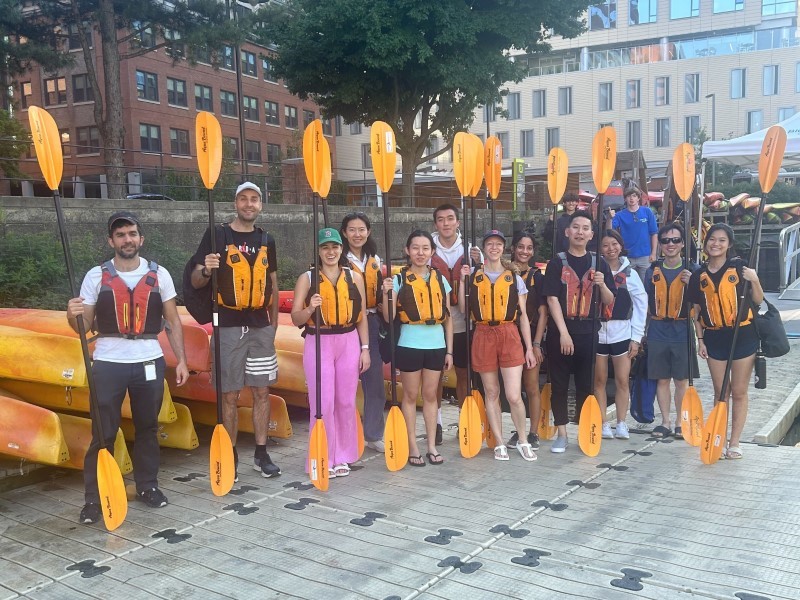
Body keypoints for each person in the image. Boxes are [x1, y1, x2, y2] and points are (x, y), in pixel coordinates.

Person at [67, 211, 189, 524]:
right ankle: (94, 499)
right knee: (103, 433)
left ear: (141, 238)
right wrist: (72, 313)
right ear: (111, 241)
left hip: (149, 359)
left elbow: (173, 322)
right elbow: (82, 325)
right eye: (120, 235)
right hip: (109, 362)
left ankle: (147, 487)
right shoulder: (97, 276)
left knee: (148, 427)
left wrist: (182, 361)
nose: (127, 239)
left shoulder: (159, 274)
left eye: (132, 233)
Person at [190, 182, 281, 479]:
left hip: (259, 326)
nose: (249, 204)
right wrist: (206, 269)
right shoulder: (217, 235)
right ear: (235, 203)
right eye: (243, 199)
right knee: (229, 395)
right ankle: (229, 454)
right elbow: (194, 281)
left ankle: (261, 453)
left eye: (254, 199)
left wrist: (274, 327)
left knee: (261, 391)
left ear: (261, 205)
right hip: (227, 325)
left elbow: (273, 285)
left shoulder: (267, 239)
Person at [291, 227, 370, 478]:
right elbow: (295, 318)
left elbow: (362, 318)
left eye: (335, 247)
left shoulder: (354, 278)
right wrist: (310, 309)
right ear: (319, 251)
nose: (331, 252)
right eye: (325, 248)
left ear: (341, 248)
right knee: (322, 402)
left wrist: (365, 349)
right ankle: (324, 454)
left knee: (346, 401)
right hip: (319, 341)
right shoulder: (307, 279)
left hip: (348, 340)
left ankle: (344, 456)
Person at [459, 230, 536, 461]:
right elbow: (464, 311)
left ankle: (523, 440)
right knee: (491, 392)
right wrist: (463, 280)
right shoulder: (473, 275)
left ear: (504, 249)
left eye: (498, 244)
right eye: (490, 244)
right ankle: (500, 442)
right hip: (483, 333)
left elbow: (523, 316)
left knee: (513, 395)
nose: (494, 248)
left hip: (508, 333)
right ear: (483, 249)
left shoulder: (515, 278)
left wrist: (529, 347)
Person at [687, 223, 763, 459]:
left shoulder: (740, 268)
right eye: (712, 239)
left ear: (729, 244)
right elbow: (696, 312)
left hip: (743, 335)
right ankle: (718, 436)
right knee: (721, 391)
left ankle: (735, 442)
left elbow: (758, 300)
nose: (715, 244)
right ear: (706, 243)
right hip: (714, 336)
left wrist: (755, 279)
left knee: (739, 391)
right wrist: (700, 340)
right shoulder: (698, 275)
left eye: (721, 240)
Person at [543, 211, 616, 453]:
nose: (580, 232)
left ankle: (586, 431)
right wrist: (563, 334)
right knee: (560, 384)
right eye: (576, 227)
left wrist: (602, 283)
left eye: (585, 228)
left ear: (591, 235)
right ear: (567, 231)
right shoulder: (556, 262)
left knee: (587, 385)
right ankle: (562, 433)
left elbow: (609, 299)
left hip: (588, 333)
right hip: (561, 332)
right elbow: (552, 299)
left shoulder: (599, 263)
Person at [382, 230, 453, 466]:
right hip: (409, 344)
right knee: (411, 396)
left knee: (431, 396)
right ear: (407, 251)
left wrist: (450, 351)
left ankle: (431, 445)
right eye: (415, 248)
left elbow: (448, 318)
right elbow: (388, 315)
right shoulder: (399, 279)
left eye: (425, 248)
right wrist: (386, 292)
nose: (420, 253)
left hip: (436, 344)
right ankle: (413, 446)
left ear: (432, 252)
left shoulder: (440, 279)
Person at [643, 223, 699, 439]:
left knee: (681, 380)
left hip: (682, 328)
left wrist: (691, 283)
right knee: (662, 379)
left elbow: (700, 303)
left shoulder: (692, 270)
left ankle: (679, 421)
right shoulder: (652, 271)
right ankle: (665, 421)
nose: (670, 244)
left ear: (683, 244)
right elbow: (645, 301)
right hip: (658, 328)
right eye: (665, 240)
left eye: (675, 240)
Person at [595, 230, 647, 440]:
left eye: (614, 244)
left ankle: (622, 422)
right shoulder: (595, 270)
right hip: (598, 333)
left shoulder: (631, 273)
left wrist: (636, 338)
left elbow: (641, 306)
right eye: (606, 245)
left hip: (622, 332)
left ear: (620, 245)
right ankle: (602, 423)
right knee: (598, 380)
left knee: (622, 380)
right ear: (600, 248)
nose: (611, 249)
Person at [340, 213, 386, 452]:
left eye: (361, 229)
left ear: (368, 231)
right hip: (346, 324)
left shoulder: (374, 258)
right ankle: (344, 433)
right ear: (345, 233)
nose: (357, 234)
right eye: (352, 230)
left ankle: (373, 433)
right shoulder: (337, 258)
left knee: (375, 379)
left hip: (371, 320)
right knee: (346, 380)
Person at [430, 203, 471, 445]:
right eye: (441, 219)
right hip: (436, 324)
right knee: (434, 378)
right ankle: (436, 423)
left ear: (457, 222)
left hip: (463, 322)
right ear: (436, 224)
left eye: (450, 219)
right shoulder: (426, 248)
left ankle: (465, 420)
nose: (446, 223)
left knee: (464, 375)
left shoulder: (470, 250)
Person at [506, 230, 547, 451]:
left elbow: (543, 312)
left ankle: (533, 432)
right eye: (520, 246)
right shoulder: (504, 272)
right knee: (514, 390)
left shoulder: (536, 277)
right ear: (513, 248)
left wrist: (537, 343)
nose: (524, 251)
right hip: (508, 336)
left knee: (531, 387)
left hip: (530, 337)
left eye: (529, 248)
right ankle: (518, 430)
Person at [609, 187, 658, 280]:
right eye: (628, 196)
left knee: (646, 285)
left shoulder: (647, 211)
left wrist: (654, 253)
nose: (631, 199)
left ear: (638, 198)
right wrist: (609, 218)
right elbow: (610, 231)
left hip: (645, 256)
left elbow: (654, 233)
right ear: (625, 199)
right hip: (628, 257)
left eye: (634, 196)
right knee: (630, 286)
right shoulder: (619, 215)